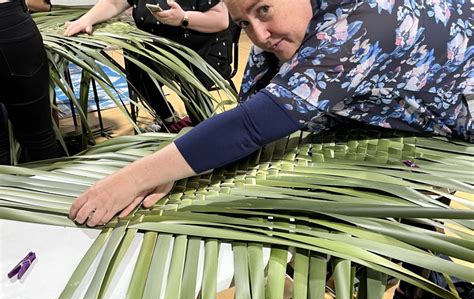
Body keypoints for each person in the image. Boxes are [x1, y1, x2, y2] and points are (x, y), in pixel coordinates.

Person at [69, 0, 473, 227]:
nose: (258, 36)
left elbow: (255, 123)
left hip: (452, 117)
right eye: (244, 21)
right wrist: (174, 171)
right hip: (401, 113)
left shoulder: (364, 22)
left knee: (423, 221)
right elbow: (251, 110)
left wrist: (131, 178)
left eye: (264, 10)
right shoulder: (293, 25)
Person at [64, 0, 233, 130]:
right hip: (160, 49)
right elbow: (114, 2)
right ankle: (168, 119)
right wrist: (86, 19)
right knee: (137, 67)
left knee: (193, 92)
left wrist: (184, 18)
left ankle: (205, 130)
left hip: (202, 51)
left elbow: (221, 20)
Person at [0, 0, 61, 165]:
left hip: (8, 24)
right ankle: (52, 187)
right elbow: (41, 4)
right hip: (9, 24)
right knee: (39, 138)